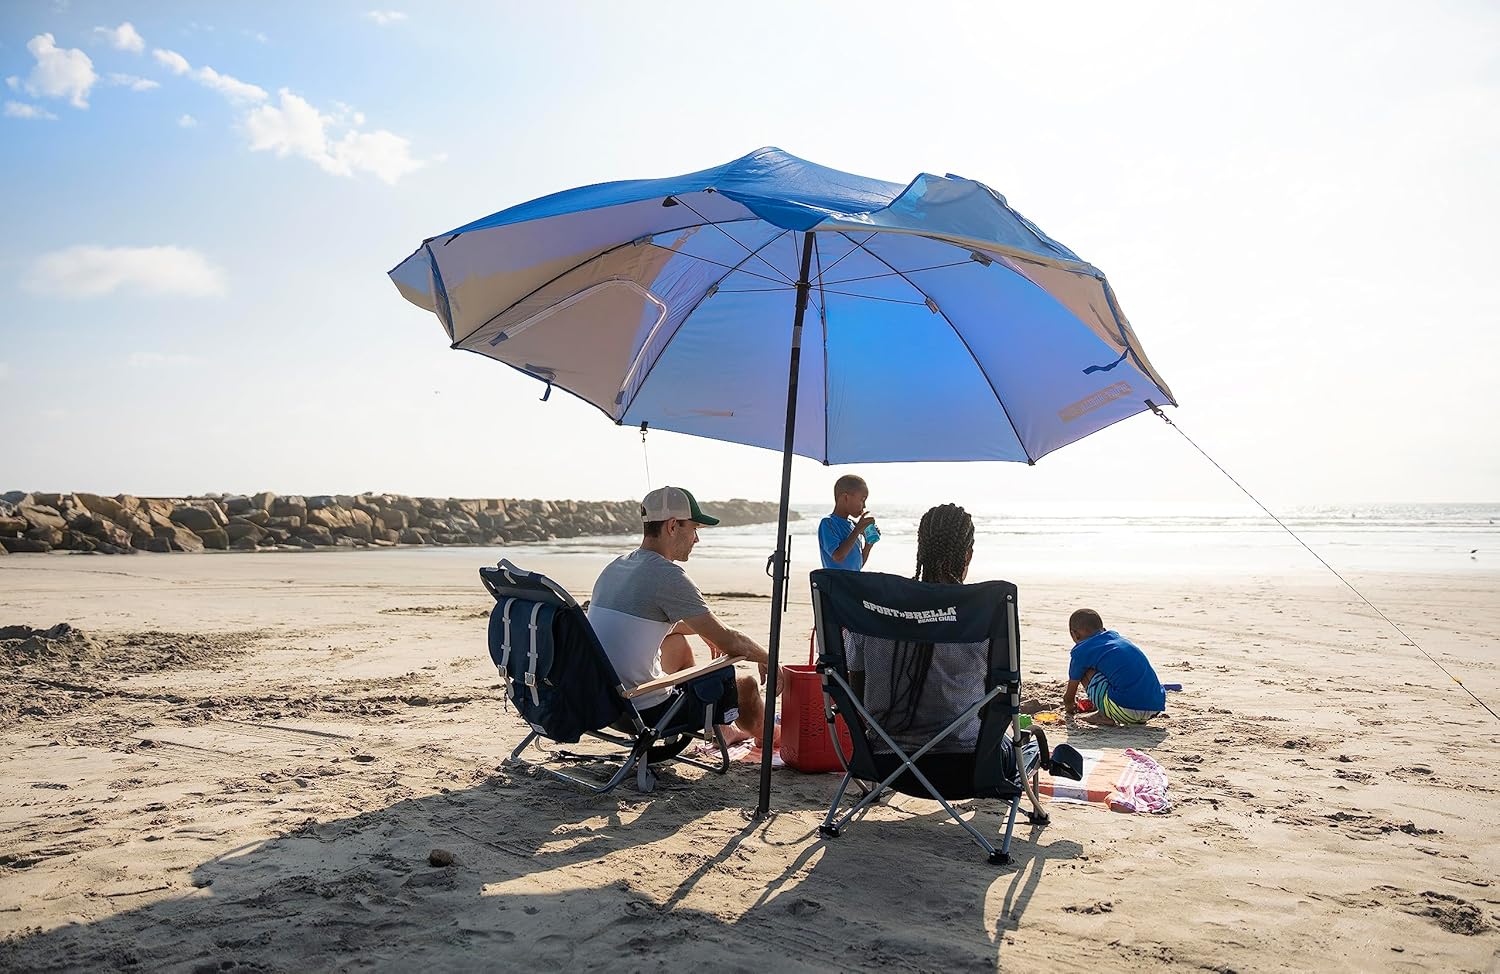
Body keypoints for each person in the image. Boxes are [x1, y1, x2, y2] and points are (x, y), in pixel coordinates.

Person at [845, 503, 1046, 748]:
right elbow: (1004, 698)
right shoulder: (982, 613)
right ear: (968, 555)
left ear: (920, 550)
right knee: (1031, 744)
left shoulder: (873, 607)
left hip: (884, 757)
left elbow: (853, 692)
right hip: (968, 762)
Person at [587, 485, 771, 745]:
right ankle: (770, 738)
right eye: (694, 528)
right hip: (647, 711)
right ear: (673, 526)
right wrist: (770, 659)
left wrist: (702, 630)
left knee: (678, 644)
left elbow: (639, 625)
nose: (697, 539)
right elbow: (732, 642)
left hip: (603, 701)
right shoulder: (668, 576)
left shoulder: (617, 565)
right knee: (748, 685)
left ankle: (725, 731)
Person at [1062, 609, 1166, 726]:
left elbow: (1069, 697)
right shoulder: (1116, 639)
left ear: (1074, 634)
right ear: (1103, 629)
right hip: (1155, 707)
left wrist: (1070, 707)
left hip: (1125, 711)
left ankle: (1104, 714)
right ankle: (1106, 706)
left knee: (1084, 670)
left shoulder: (1081, 651)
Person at [819, 474, 878, 571]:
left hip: (851, 582)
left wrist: (868, 545)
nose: (864, 506)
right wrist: (857, 531)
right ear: (845, 497)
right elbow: (838, 557)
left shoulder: (853, 525)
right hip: (836, 584)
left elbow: (857, 566)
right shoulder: (828, 523)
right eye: (862, 500)